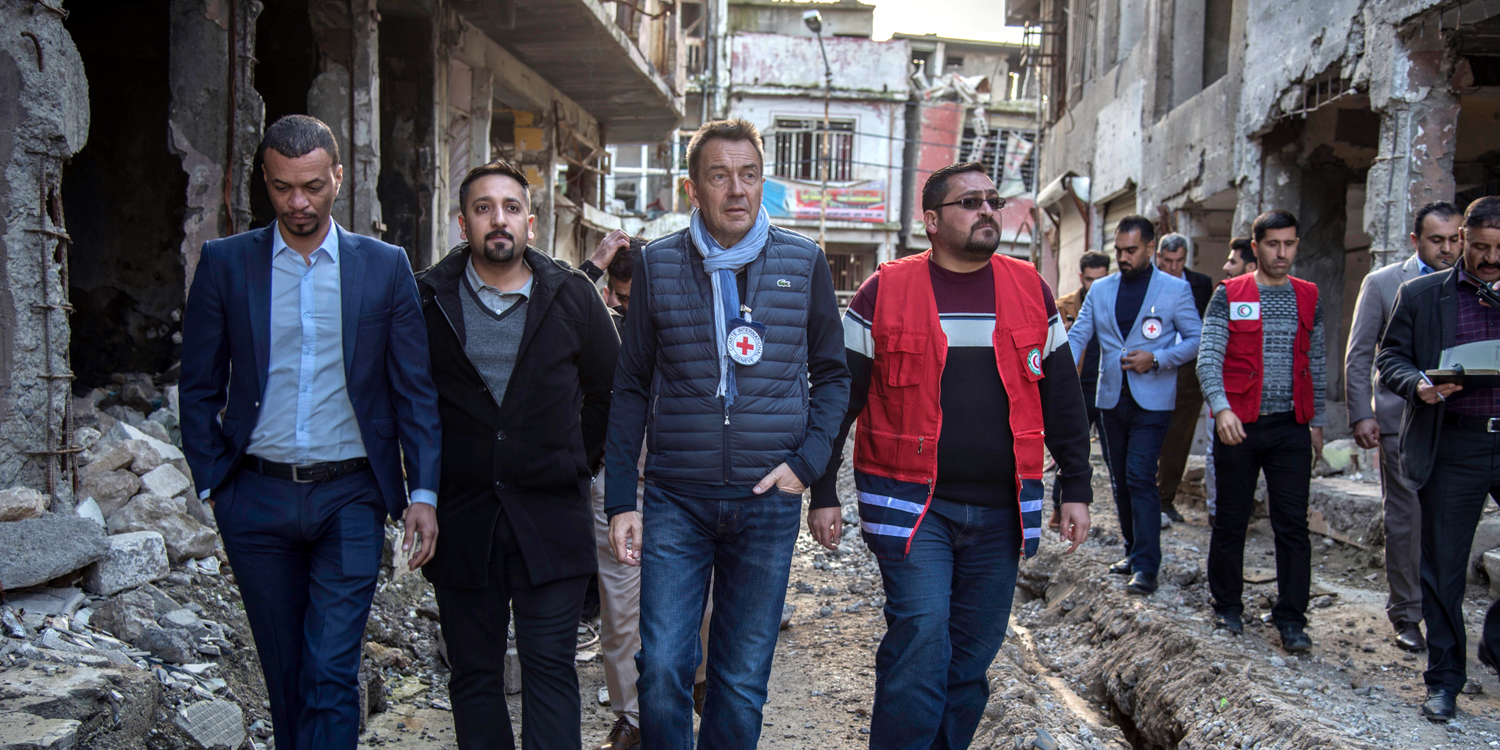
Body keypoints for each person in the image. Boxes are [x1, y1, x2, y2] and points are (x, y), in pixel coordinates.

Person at [179, 115, 441, 750]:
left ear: (338, 179)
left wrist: (423, 493)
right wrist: (216, 482)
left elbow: (414, 389)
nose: (299, 203)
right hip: (255, 497)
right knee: (285, 673)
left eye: (313, 187)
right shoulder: (225, 264)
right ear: (263, 183)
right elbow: (198, 386)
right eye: (282, 188)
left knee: (329, 670)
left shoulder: (383, 267)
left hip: (349, 497)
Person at [813, 162, 1093, 748]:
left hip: (1002, 513)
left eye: (993, 200)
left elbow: (1063, 396)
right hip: (913, 506)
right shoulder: (883, 290)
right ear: (933, 220)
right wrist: (822, 491)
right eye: (971, 202)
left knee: (969, 662)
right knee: (919, 640)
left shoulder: (1030, 290)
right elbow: (840, 397)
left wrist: (1077, 486)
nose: (988, 210)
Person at [603, 119, 850, 748]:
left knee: (741, 677)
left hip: (767, 498)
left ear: (762, 182)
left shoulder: (804, 260)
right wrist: (622, 501)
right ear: (693, 189)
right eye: (719, 176)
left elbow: (833, 377)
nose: (736, 190)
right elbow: (631, 385)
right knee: (662, 668)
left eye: (748, 175)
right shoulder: (657, 266)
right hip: (675, 497)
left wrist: (808, 464)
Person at [417, 159, 620, 749]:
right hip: (463, 517)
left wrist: (568, 457)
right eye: (483, 209)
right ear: (463, 224)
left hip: (551, 518)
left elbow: (610, 391)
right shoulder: (428, 298)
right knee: (474, 674)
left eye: (510, 208)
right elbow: (408, 398)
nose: (497, 220)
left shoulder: (572, 295)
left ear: (530, 223)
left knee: (550, 670)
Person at [581, 232, 712, 750]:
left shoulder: (693, 319)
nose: (624, 308)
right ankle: (632, 717)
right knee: (619, 610)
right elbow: (555, 304)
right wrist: (594, 265)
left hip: (688, 475)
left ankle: (697, 680)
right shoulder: (606, 329)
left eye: (634, 300)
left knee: (702, 601)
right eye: (619, 298)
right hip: (618, 479)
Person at [1377, 196, 1500, 723]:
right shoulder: (1422, 294)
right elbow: (1388, 359)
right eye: (1480, 248)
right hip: (1454, 444)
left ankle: (1495, 642)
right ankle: (1445, 679)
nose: (1490, 259)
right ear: (1462, 243)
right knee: (1444, 570)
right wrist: (1418, 384)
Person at [1197, 209, 1326, 653]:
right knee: (1231, 520)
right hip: (1239, 425)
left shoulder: (1307, 296)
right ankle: (1227, 607)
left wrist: (1317, 421)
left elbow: (1318, 361)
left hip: (1290, 425)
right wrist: (1221, 408)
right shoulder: (1229, 294)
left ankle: (1292, 618)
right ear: (1256, 247)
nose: (1282, 253)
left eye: (1290, 244)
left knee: (1292, 525)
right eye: (1274, 244)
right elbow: (1208, 356)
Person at [1346, 201, 1462, 655]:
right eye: (1438, 240)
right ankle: (1406, 614)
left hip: (1457, 422)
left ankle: (1444, 619)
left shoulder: (1472, 286)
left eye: (1455, 239)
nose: (1448, 248)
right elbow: (1360, 354)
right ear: (1416, 241)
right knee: (1405, 520)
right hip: (1400, 419)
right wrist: (1362, 413)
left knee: (1447, 522)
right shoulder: (1383, 283)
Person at [1068, 217, 1201, 595]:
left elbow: (1195, 338)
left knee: (1140, 476)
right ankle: (1131, 551)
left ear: (1149, 249)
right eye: (1118, 251)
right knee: (1120, 481)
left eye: (1131, 251)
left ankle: (1146, 566)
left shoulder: (1174, 289)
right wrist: (1059, 375)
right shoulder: (1102, 289)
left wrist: (1157, 359)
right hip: (1111, 399)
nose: (1123, 258)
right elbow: (1080, 335)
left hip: (1153, 400)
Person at [1154, 233, 1214, 523]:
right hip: (1152, 368)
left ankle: (1165, 499)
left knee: (1179, 438)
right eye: (1167, 261)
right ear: (1158, 258)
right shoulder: (1148, 282)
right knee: (1151, 434)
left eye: (1178, 262)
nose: (1173, 268)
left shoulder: (1201, 283)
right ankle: (1144, 497)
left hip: (1187, 373)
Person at [1049, 252, 1111, 530]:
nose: (1094, 284)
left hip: (1106, 387)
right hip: (1077, 386)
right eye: (1089, 279)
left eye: (1100, 278)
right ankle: (1057, 508)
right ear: (1080, 277)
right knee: (1070, 449)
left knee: (1110, 456)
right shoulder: (1060, 307)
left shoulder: (1114, 299)